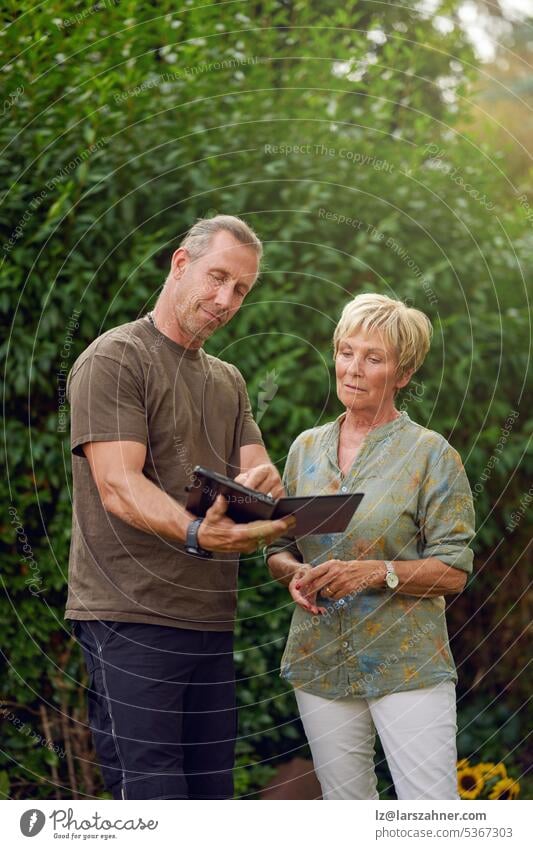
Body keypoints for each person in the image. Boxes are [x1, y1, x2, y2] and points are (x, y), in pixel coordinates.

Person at [66, 214, 294, 800]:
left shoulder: (228, 380)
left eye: (240, 290)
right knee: (153, 795)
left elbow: (256, 475)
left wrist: (275, 501)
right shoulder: (116, 358)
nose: (225, 300)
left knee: (211, 793)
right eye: (217, 277)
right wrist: (197, 533)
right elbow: (118, 484)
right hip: (131, 614)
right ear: (180, 263)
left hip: (209, 617)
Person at [266, 293, 475, 800]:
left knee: (430, 812)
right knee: (346, 811)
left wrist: (375, 571)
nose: (353, 369)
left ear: (402, 375)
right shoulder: (305, 449)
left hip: (407, 665)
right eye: (346, 352)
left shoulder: (432, 456)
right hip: (320, 660)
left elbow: (454, 571)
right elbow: (277, 548)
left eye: (373, 358)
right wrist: (293, 572)